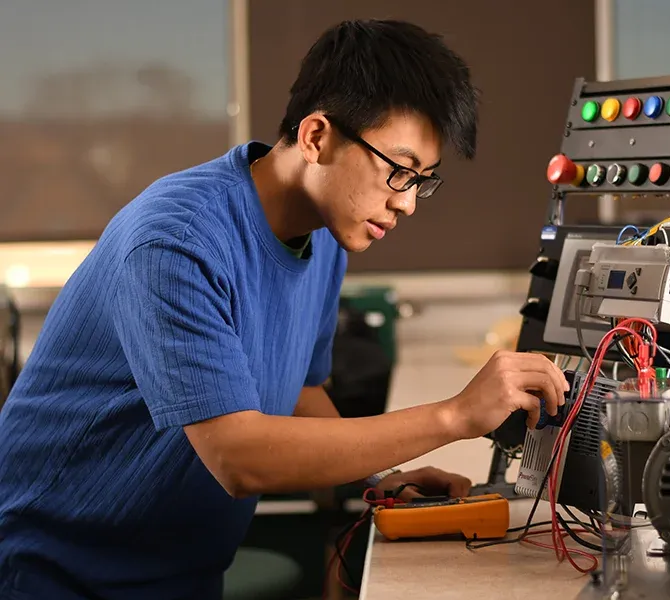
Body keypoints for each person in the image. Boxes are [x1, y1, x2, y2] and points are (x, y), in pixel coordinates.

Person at [0, 18, 568, 600]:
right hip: (52, 570)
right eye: (397, 170)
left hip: (179, 573)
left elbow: (295, 391)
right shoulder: (176, 241)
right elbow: (237, 456)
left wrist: (376, 482)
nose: (407, 203)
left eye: (422, 180)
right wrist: (455, 416)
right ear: (317, 136)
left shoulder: (325, 235)